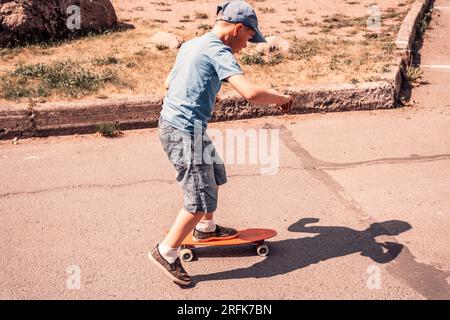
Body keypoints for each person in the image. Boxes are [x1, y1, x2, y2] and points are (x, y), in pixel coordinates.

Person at [148, 0, 293, 286]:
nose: (247, 45)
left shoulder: (192, 44)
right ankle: (166, 251)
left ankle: (206, 228)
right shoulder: (220, 51)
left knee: (213, 173)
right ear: (238, 28)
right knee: (198, 198)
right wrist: (283, 99)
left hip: (177, 125)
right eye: (249, 37)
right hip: (185, 132)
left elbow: (169, 82)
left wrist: (205, 91)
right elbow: (250, 93)